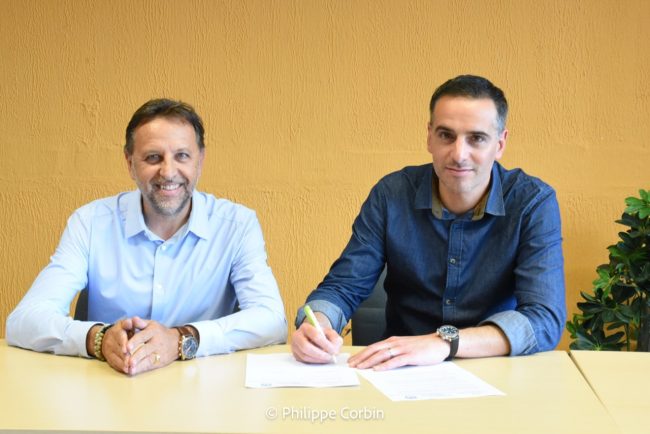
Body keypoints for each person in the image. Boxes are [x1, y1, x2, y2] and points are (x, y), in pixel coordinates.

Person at [291, 75, 565, 370]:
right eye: (446, 135)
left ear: (499, 144)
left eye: (476, 138)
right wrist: (316, 326)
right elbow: (343, 286)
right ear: (430, 137)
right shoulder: (391, 194)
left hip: (495, 369)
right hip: (398, 371)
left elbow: (544, 318)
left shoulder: (532, 202)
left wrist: (444, 342)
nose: (459, 154)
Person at [6, 98, 287, 375]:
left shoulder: (237, 225)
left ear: (200, 161)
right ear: (130, 163)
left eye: (182, 156)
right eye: (153, 157)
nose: (168, 172)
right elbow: (23, 321)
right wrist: (98, 339)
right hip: (109, 388)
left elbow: (271, 321)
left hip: (201, 394)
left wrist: (181, 340)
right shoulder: (90, 223)